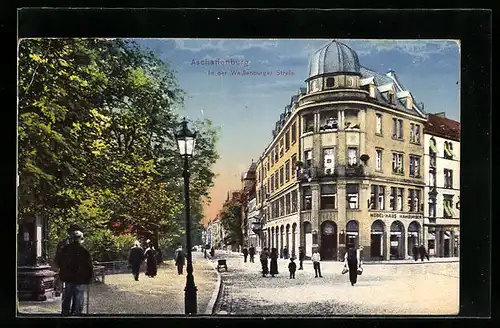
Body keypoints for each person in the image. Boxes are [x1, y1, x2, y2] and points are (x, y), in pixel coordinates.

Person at [55, 230, 93, 316]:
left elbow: (59, 262)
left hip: (68, 277)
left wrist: (62, 273)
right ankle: (76, 313)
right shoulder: (84, 251)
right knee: (79, 296)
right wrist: (90, 277)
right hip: (80, 278)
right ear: (81, 239)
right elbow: (88, 265)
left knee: (67, 296)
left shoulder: (65, 249)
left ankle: (65, 312)